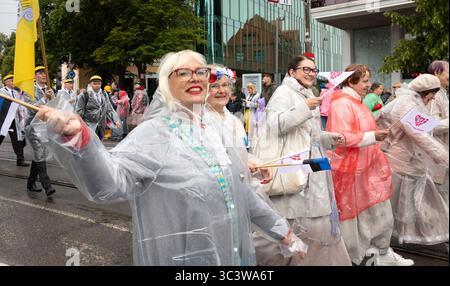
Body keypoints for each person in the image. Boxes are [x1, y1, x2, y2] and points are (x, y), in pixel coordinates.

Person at [35, 50, 307, 266]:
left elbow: (241, 191)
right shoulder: (155, 133)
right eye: (183, 73)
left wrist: (281, 231)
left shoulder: (217, 131)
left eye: (200, 72)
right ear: (167, 83)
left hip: (231, 256)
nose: (194, 78)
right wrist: (81, 140)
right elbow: (109, 182)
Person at [251, 55, 351, 266]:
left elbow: (309, 134)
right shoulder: (284, 93)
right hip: (295, 170)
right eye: (305, 69)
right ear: (291, 72)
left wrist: (329, 137)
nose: (311, 73)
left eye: (313, 70)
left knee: (314, 225)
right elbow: (275, 125)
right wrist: (305, 107)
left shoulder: (306, 93)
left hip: (312, 169)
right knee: (300, 226)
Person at [326, 64, 414, 266]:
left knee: (379, 211)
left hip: (367, 167)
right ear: (350, 81)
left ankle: (380, 252)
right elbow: (340, 138)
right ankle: (359, 256)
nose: (368, 85)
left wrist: (375, 136)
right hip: (351, 170)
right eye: (364, 81)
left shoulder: (357, 102)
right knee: (355, 217)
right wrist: (372, 136)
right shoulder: (342, 104)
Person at [377, 74, 449, 246]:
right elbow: (420, 134)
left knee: (404, 203)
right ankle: (393, 240)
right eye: (432, 93)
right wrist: (445, 157)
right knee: (402, 203)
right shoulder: (408, 104)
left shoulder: (409, 101)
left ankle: (397, 238)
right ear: (425, 91)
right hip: (403, 162)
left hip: (407, 160)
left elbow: (426, 125)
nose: (432, 98)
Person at [23, 66, 56, 196]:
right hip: (33, 127)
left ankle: (31, 182)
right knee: (39, 153)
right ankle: (47, 185)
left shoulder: (50, 90)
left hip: (45, 127)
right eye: (40, 73)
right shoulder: (29, 90)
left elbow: (54, 106)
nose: (43, 75)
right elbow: (31, 109)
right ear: (35, 76)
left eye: (45, 73)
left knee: (39, 154)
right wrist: (43, 98)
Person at [426, 61, 449, 208]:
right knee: (439, 198)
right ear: (436, 73)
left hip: (443, 151)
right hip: (438, 154)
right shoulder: (434, 96)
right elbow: (432, 125)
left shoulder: (442, 94)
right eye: (447, 71)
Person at [75, 75, 121, 140]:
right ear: (90, 84)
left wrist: (116, 120)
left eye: (99, 84)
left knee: (98, 144)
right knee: (89, 145)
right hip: (88, 125)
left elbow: (109, 109)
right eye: (95, 84)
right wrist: (78, 123)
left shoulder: (104, 94)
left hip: (101, 126)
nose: (97, 85)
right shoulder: (85, 95)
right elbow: (79, 111)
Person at [0, 74, 29, 167]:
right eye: (12, 80)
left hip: (15, 120)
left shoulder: (17, 93)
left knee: (18, 139)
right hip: (4, 120)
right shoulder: (1, 91)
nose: (14, 82)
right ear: (6, 82)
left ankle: (20, 160)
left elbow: (21, 105)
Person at [243, 82, 263, 149]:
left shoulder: (257, 95)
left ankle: (253, 143)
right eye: (248, 90)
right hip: (248, 112)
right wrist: (245, 103)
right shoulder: (249, 95)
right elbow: (247, 103)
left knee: (253, 128)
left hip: (254, 113)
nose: (248, 91)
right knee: (247, 128)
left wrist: (249, 103)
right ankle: (249, 143)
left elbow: (258, 105)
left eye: (249, 89)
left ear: (252, 88)